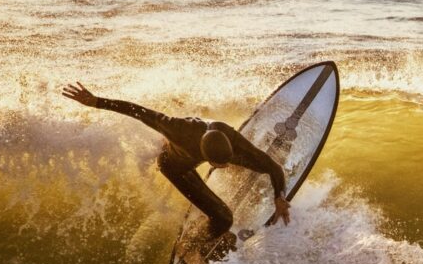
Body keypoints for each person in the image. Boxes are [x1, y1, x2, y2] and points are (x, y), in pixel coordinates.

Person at [61, 82, 290, 247]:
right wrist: (96, 101)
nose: (223, 166)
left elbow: (273, 166)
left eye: (224, 162)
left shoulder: (226, 134)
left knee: (260, 163)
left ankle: (237, 167)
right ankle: (190, 245)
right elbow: (137, 111)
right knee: (224, 219)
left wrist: (279, 196)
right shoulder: (176, 129)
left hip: (208, 148)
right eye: (218, 164)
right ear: (206, 155)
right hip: (175, 166)